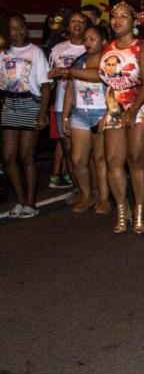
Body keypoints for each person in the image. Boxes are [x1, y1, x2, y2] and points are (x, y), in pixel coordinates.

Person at [98, 1, 144, 235]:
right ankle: (121, 209)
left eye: (123, 16)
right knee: (112, 160)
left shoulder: (143, 48)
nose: (117, 20)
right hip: (115, 105)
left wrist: (133, 110)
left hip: (141, 104)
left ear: (134, 21)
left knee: (136, 158)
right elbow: (104, 79)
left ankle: (139, 212)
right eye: (114, 16)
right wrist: (68, 72)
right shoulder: (108, 48)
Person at [0, 11, 52, 219]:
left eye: (21, 26)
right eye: (13, 28)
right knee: (8, 156)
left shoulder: (36, 52)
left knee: (26, 155)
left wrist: (42, 113)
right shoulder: (3, 52)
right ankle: (20, 200)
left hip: (31, 103)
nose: (19, 31)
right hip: (10, 103)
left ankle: (31, 202)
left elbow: (46, 85)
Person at [58, 25, 111, 214]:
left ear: (104, 41)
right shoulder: (79, 61)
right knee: (78, 158)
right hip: (80, 114)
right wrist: (65, 116)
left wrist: (68, 72)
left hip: (101, 113)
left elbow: (101, 77)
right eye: (86, 39)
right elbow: (70, 89)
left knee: (100, 159)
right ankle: (87, 194)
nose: (87, 43)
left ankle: (104, 198)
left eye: (92, 39)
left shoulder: (109, 61)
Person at [48, 11, 89, 192]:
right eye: (73, 21)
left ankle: (92, 189)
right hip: (61, 105)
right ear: (68, 25)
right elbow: (49, 78)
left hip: (86, 105)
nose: (77, 24)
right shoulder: (58, 49)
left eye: (81, 21)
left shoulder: (91, 47)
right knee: (68, 148)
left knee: (87, 152)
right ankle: (79, 188)